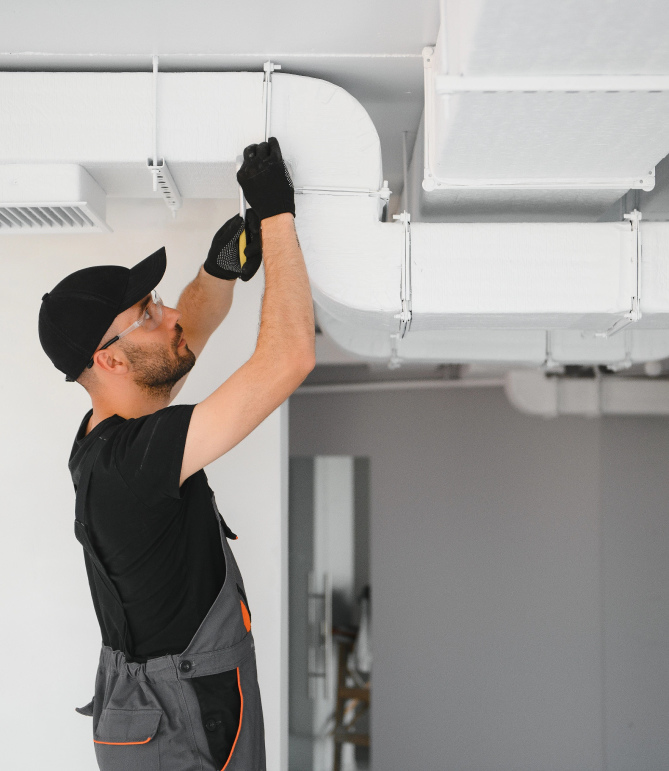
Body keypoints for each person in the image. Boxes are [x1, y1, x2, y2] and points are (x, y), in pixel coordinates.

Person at [37, 137, 314, 771]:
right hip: (179, 714)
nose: (167, 315)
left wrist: (217, 271)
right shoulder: (133, 461)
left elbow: (187, 332)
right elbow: (290, 357)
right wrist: (276, 215)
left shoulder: (116, 427)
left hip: (172, 699)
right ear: (109, 358)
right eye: (147, 311)